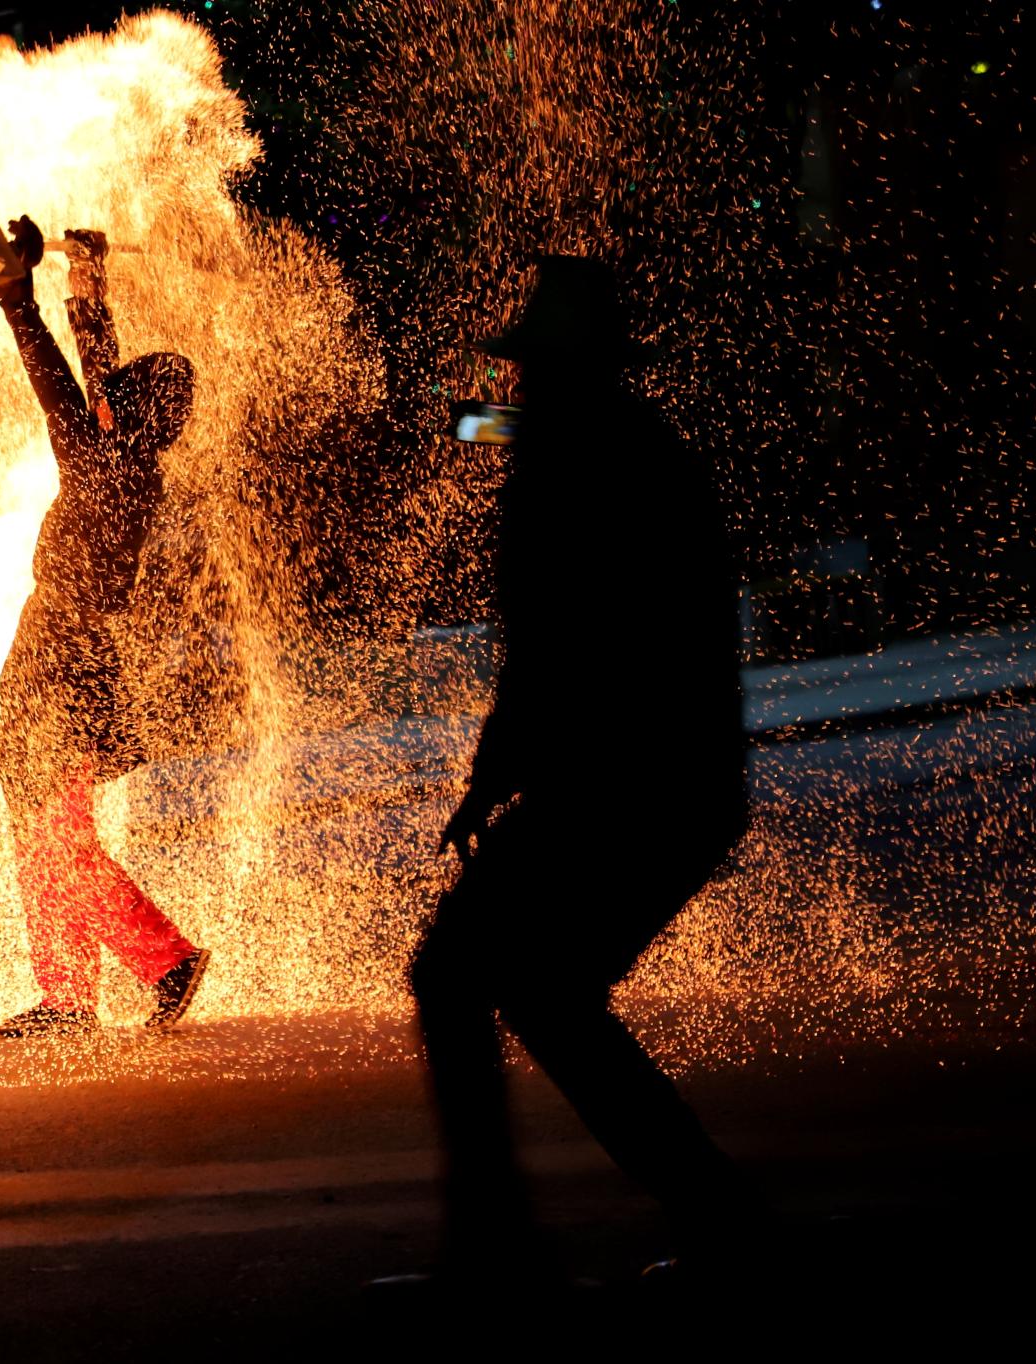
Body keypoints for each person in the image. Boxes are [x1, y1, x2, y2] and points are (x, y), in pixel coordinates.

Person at [395, 255, 757, 1287]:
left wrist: (491, 774)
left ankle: (499, 1248)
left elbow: (553, 646)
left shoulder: (578, 461)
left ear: (567, 371)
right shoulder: (621, 440)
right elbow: (474, 426)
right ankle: (712, 1215)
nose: (517, 384)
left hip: (623, 787)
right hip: (665, 781)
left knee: (462, 975)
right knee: (544, 993)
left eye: (530, 366)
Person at [0, 216, 212, 1039]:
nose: (101, 395)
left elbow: (56, 383)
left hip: (60, 671)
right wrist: (86, 274)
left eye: (114, 396)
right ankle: (67, 998)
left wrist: (17, 299)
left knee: (55, 840)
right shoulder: (126, 462)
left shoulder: (104, 468)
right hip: (67, 666)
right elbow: (95, 369)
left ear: (126, 415)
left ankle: (166, 960)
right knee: (48, 834)